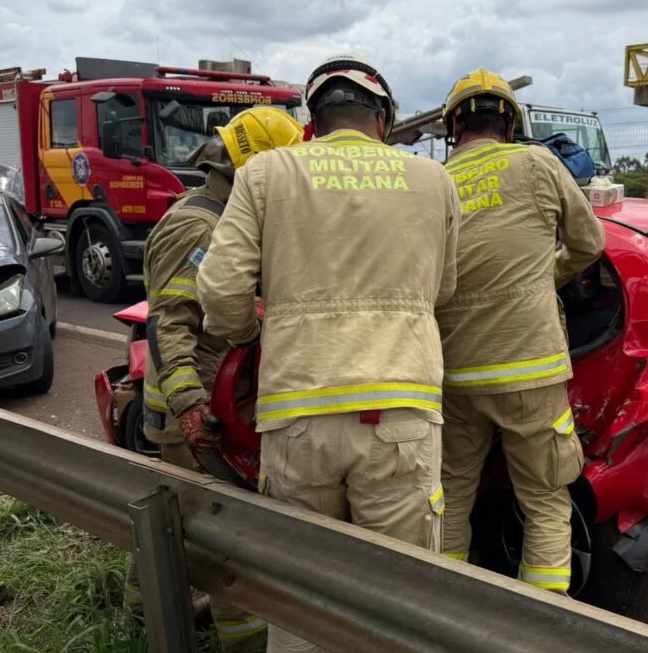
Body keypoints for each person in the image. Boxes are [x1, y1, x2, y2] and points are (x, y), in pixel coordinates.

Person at [196, 53, 460, 653]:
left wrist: (245, 333)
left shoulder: (267, 175)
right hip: (402, 409)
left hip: (298, 411)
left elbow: (219, 287)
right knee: (402, 599)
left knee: (300, 597)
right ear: (384, 118)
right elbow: (443, 289)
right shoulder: (433, 181)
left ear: (313, 121)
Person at [125, 106, 304, 653]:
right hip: (195, 414)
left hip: (201, 405)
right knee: (228, 547)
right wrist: (189, 402)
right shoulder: (201, 225)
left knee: (180, 522)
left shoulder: (221, 215)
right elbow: (170, 320)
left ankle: (141, 611)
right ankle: (241, 643)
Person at [435, 67, 606, 595]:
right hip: (531, 366)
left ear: (452, 129)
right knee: (546, 501)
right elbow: (589, 243)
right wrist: (546, 277)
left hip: (454, 369)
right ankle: (542, 623)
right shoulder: (537, 163)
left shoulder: (434, 180)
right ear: (509, 123)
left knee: (452, 495)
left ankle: (443, 606)